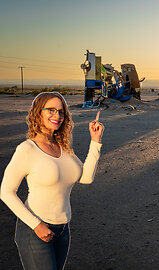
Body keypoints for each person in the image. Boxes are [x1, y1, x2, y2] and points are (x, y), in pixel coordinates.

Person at [0, 91, 104, 269]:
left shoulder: (64, 148)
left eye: (61, 111)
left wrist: (95, 141)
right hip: (35, 230)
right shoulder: (27, 149)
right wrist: (37, 225)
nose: (57, 115)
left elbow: (86, 178)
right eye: (51, 110)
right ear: (38, 112)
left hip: (63, 230)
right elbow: (6, 192)